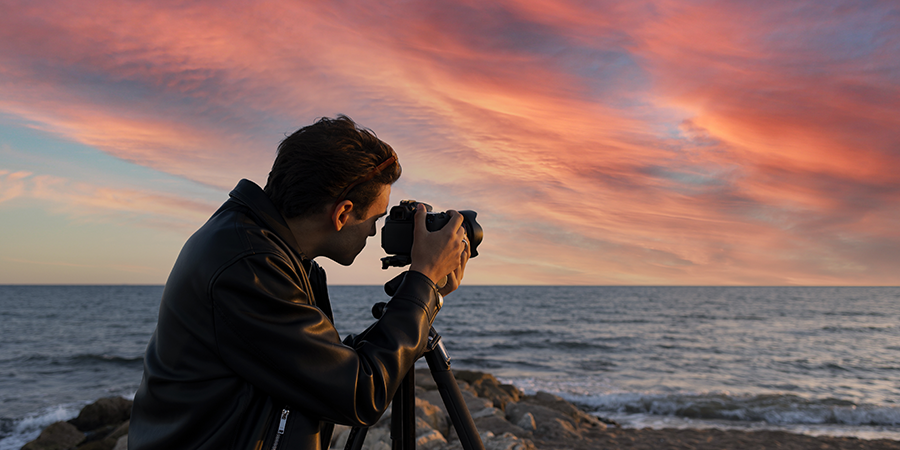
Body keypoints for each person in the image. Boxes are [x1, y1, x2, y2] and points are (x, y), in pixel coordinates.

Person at [129, 115, 470, 450]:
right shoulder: (248, 267)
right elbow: (359, 393)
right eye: (375, 219)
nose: (373, 231)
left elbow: (314, 363)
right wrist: (422, 281)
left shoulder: (261, 248)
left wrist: (428, 293)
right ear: (342, 213)